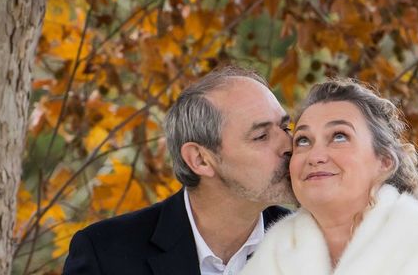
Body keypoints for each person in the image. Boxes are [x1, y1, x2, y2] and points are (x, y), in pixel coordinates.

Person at [241, 79, 418, 275]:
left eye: (339, 136)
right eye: (303, 140)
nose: (314, 156)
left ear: (384, 161)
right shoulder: (274, 252)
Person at [63, 67, 295, 275]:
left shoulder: (309, 242)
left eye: (285, 127)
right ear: (200, 159)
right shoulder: (105, 255)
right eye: (261, 136)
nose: (289, 145)